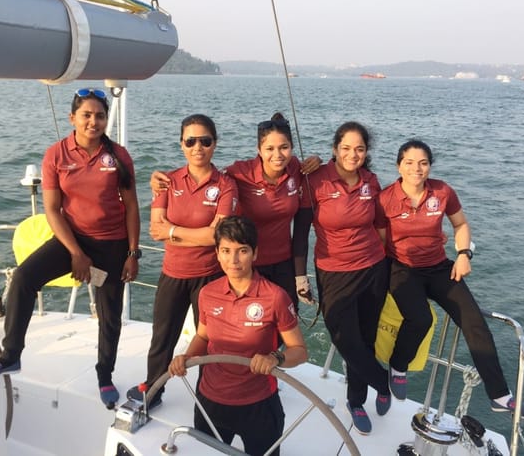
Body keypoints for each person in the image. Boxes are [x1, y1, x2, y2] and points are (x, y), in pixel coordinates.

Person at [0, 88, 141, 409]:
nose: (93, 122)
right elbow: (51, 209)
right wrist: (76, 253)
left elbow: (132, 206)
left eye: (100, 116)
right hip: (71, 239)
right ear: (72, 118)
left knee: (110, 314)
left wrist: (132, 253)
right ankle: (10, 356)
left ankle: (105, 375)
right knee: (23, 278)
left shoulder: (118, 156)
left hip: (112, 245)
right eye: (86, 115)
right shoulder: (56, 155)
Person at [377, 139, 524, 419]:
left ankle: (500, 396)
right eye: (409, 163)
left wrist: (464, 254)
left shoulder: (442, 191)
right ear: (399, 166)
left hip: (439, 267)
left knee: (475, 323)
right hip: (402, 267)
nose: (417, 169)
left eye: (423, 163)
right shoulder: (385, 199)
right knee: (420, 319)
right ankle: (398, 366)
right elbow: (379, 243)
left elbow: (460, 224)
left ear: (430, 166)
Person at [151, 113, 320, 310]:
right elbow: (207, 175)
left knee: (285, 320)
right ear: (258, 149)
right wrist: (160, 179)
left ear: (291, 148)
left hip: (284, 264)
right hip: (246, 265)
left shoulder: (297, 169)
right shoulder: (239, 172)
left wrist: (317, 160)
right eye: (269, 149)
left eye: (284, 147)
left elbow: (321, 174)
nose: (278, 155)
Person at [168, 216, 307, 456]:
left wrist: (275, 358)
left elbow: (300, 351)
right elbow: (203, 337)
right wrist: (186, 357)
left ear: (255, 253)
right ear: (217, 253)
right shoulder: (207, 293)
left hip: (258, 405)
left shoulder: (276, 297)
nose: (233, 260)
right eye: (226, 251)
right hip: (210, 401)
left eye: (242, 251)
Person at [128, 113, 239, 407]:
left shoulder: (226, 185)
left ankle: (211, 397)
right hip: (173, 274)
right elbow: (156, 230)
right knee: (162, 339)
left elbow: (217, 235)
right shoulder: (167, 181)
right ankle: (153, 391)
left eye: (205, 141)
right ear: (181, 144)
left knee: (211, 342)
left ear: (215, 143)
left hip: (211, 277)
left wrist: (174, 231)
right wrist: (196, 234)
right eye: (190, 141)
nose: (197, 147)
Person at [292, 121, 391, 435]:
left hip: (373, 269)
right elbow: (300, 233)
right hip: (333, 272)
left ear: (366, 152)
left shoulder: (371, 181)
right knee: (342, 336)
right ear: (335, 149)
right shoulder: (315, 180)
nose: (353, 154)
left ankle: (356, 401)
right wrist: (300, 277)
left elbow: (382, 226)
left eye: (359, 149)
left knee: (366, 338)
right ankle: (383, 382)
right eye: (346, 148)